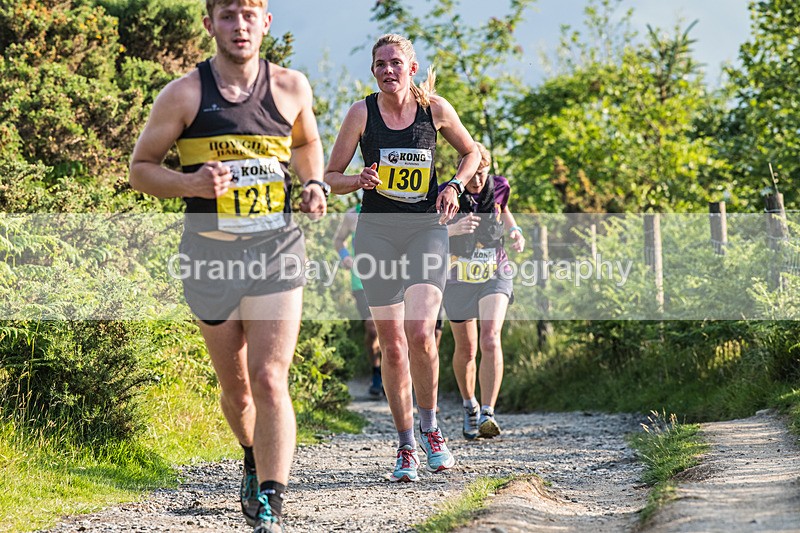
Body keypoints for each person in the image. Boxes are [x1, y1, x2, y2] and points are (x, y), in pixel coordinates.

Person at [129, 1, 328, 531]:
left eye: (248, 15)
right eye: (227, 15)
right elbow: (141, 169)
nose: (239, 26)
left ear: (266, 22)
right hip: (210, 258)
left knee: (269, 377)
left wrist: (313, 182)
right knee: (238, 391)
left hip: (276, 251)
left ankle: (271, 501)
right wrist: (190, 183)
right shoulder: (184, 94)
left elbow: (307, 141)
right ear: (209, 23)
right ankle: (250, 455)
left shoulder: (290, 87)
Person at [324, 33, 480, 483]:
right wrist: (359, 180)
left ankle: (432, 429)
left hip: (426, 231)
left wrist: (453, 186)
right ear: (373, 70)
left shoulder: (435, 109)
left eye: (396, 63)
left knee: (421, 333)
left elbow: (472, 152)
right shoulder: (361, 113)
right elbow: (331, 177)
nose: (388, 70)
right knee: (392, 345)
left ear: (412, 68)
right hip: (376, 234)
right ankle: (406, 444)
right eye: (380, 64)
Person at [442, 142, 524, 440]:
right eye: (472, 172)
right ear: (461, 169)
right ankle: (470, 406)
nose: (477, 180)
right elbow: (426, 231)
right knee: (466, 348)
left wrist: (515, 231)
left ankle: (488, 412)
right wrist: (453, 229)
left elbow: (505, 210)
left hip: (495, 272)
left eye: (482, 172)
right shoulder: (446, 193)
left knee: (490, 337)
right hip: (458, 278)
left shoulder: (500, 186)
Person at [333, 199, 384, 398]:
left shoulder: (392, 209)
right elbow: (338, 240)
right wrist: (345, 256)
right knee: (372, 329)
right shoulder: (352, 215)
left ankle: (393, 372)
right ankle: (376, 372)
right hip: (361, 280)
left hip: (390, 278)